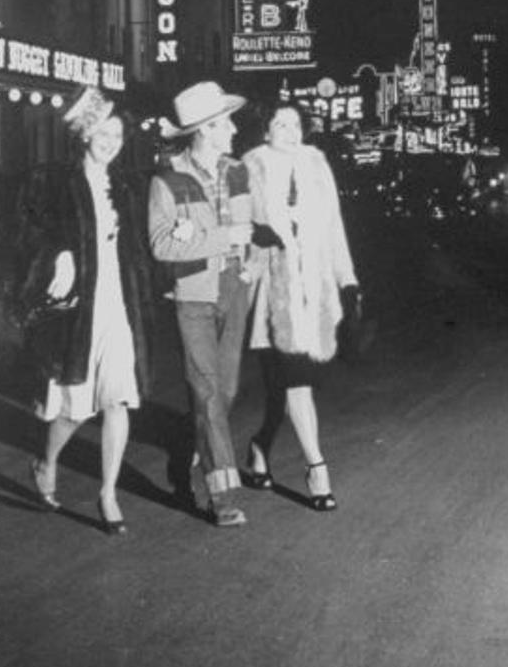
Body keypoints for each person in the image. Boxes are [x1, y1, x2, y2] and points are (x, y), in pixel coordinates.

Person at [23, 86, 156, 537]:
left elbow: (139, 248)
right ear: (84, 134)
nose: (112, 141)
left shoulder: (126, 185)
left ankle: (108, 493)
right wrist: (59, 253)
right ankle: (47, 461)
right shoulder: (58, 182)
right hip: (80, 310)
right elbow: (33, 230)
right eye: (104, 132)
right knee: (75, 410)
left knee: (117, 399)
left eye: (118, 134)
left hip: (119, 305)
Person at [147, 81, 257, 530]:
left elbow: (249, 229)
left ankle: (205, 445)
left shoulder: (237, 173)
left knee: (226, 390)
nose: (232, 128)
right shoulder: (166, 180)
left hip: (234, 287)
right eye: (224, 122)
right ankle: (222, 495)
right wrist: (218, 240)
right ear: (206, 130)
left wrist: (251, 262)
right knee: (209, 393)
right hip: (192, 294)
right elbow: (159, 245)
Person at [243, 103, 360, 512]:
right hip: (272, 294)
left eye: (295, 124)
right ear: (265, 131)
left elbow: (334, 227)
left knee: (285, 386)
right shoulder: (251, 167)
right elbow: (241, 229)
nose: (290, 131)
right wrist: (259, 236)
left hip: (313, 293)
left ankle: (259, 447)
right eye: (280, 123)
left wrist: (348, 281)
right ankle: (317, 468)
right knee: (295, 381)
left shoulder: (316, 165)